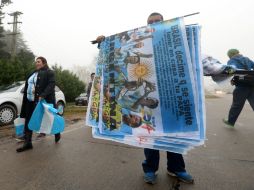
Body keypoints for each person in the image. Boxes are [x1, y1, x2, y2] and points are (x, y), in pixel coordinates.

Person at [95, 12, 194, 185]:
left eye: (158, 21)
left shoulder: (173, 38)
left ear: (165, 22)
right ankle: (150, 170)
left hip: (169, 99)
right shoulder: (140, 45)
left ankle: (177, 168)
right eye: (151, 22)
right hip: (148, 103)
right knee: (150, 136)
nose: (154, 24)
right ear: (146, 25)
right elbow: (118, 54)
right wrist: (104, 43)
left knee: (173, 134)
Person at [16, 57, 61, 153]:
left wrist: (42, 95)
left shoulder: (50, 72)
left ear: (44, 63)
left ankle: (57, 132)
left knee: (49, 119)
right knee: (28, 119)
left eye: (38, 62)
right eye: (36, 62)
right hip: (30, 100)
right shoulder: (33, 73)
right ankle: (28, 143)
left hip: (43, 100)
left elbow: (51, 85)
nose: (36, 63)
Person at [223, 49, 254, 128]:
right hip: (251, 85)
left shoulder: (232, 61)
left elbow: (231, 71)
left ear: (230, 55)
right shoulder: (247, 59)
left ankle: (230, 122)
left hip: (241, 86)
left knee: (237, 105)